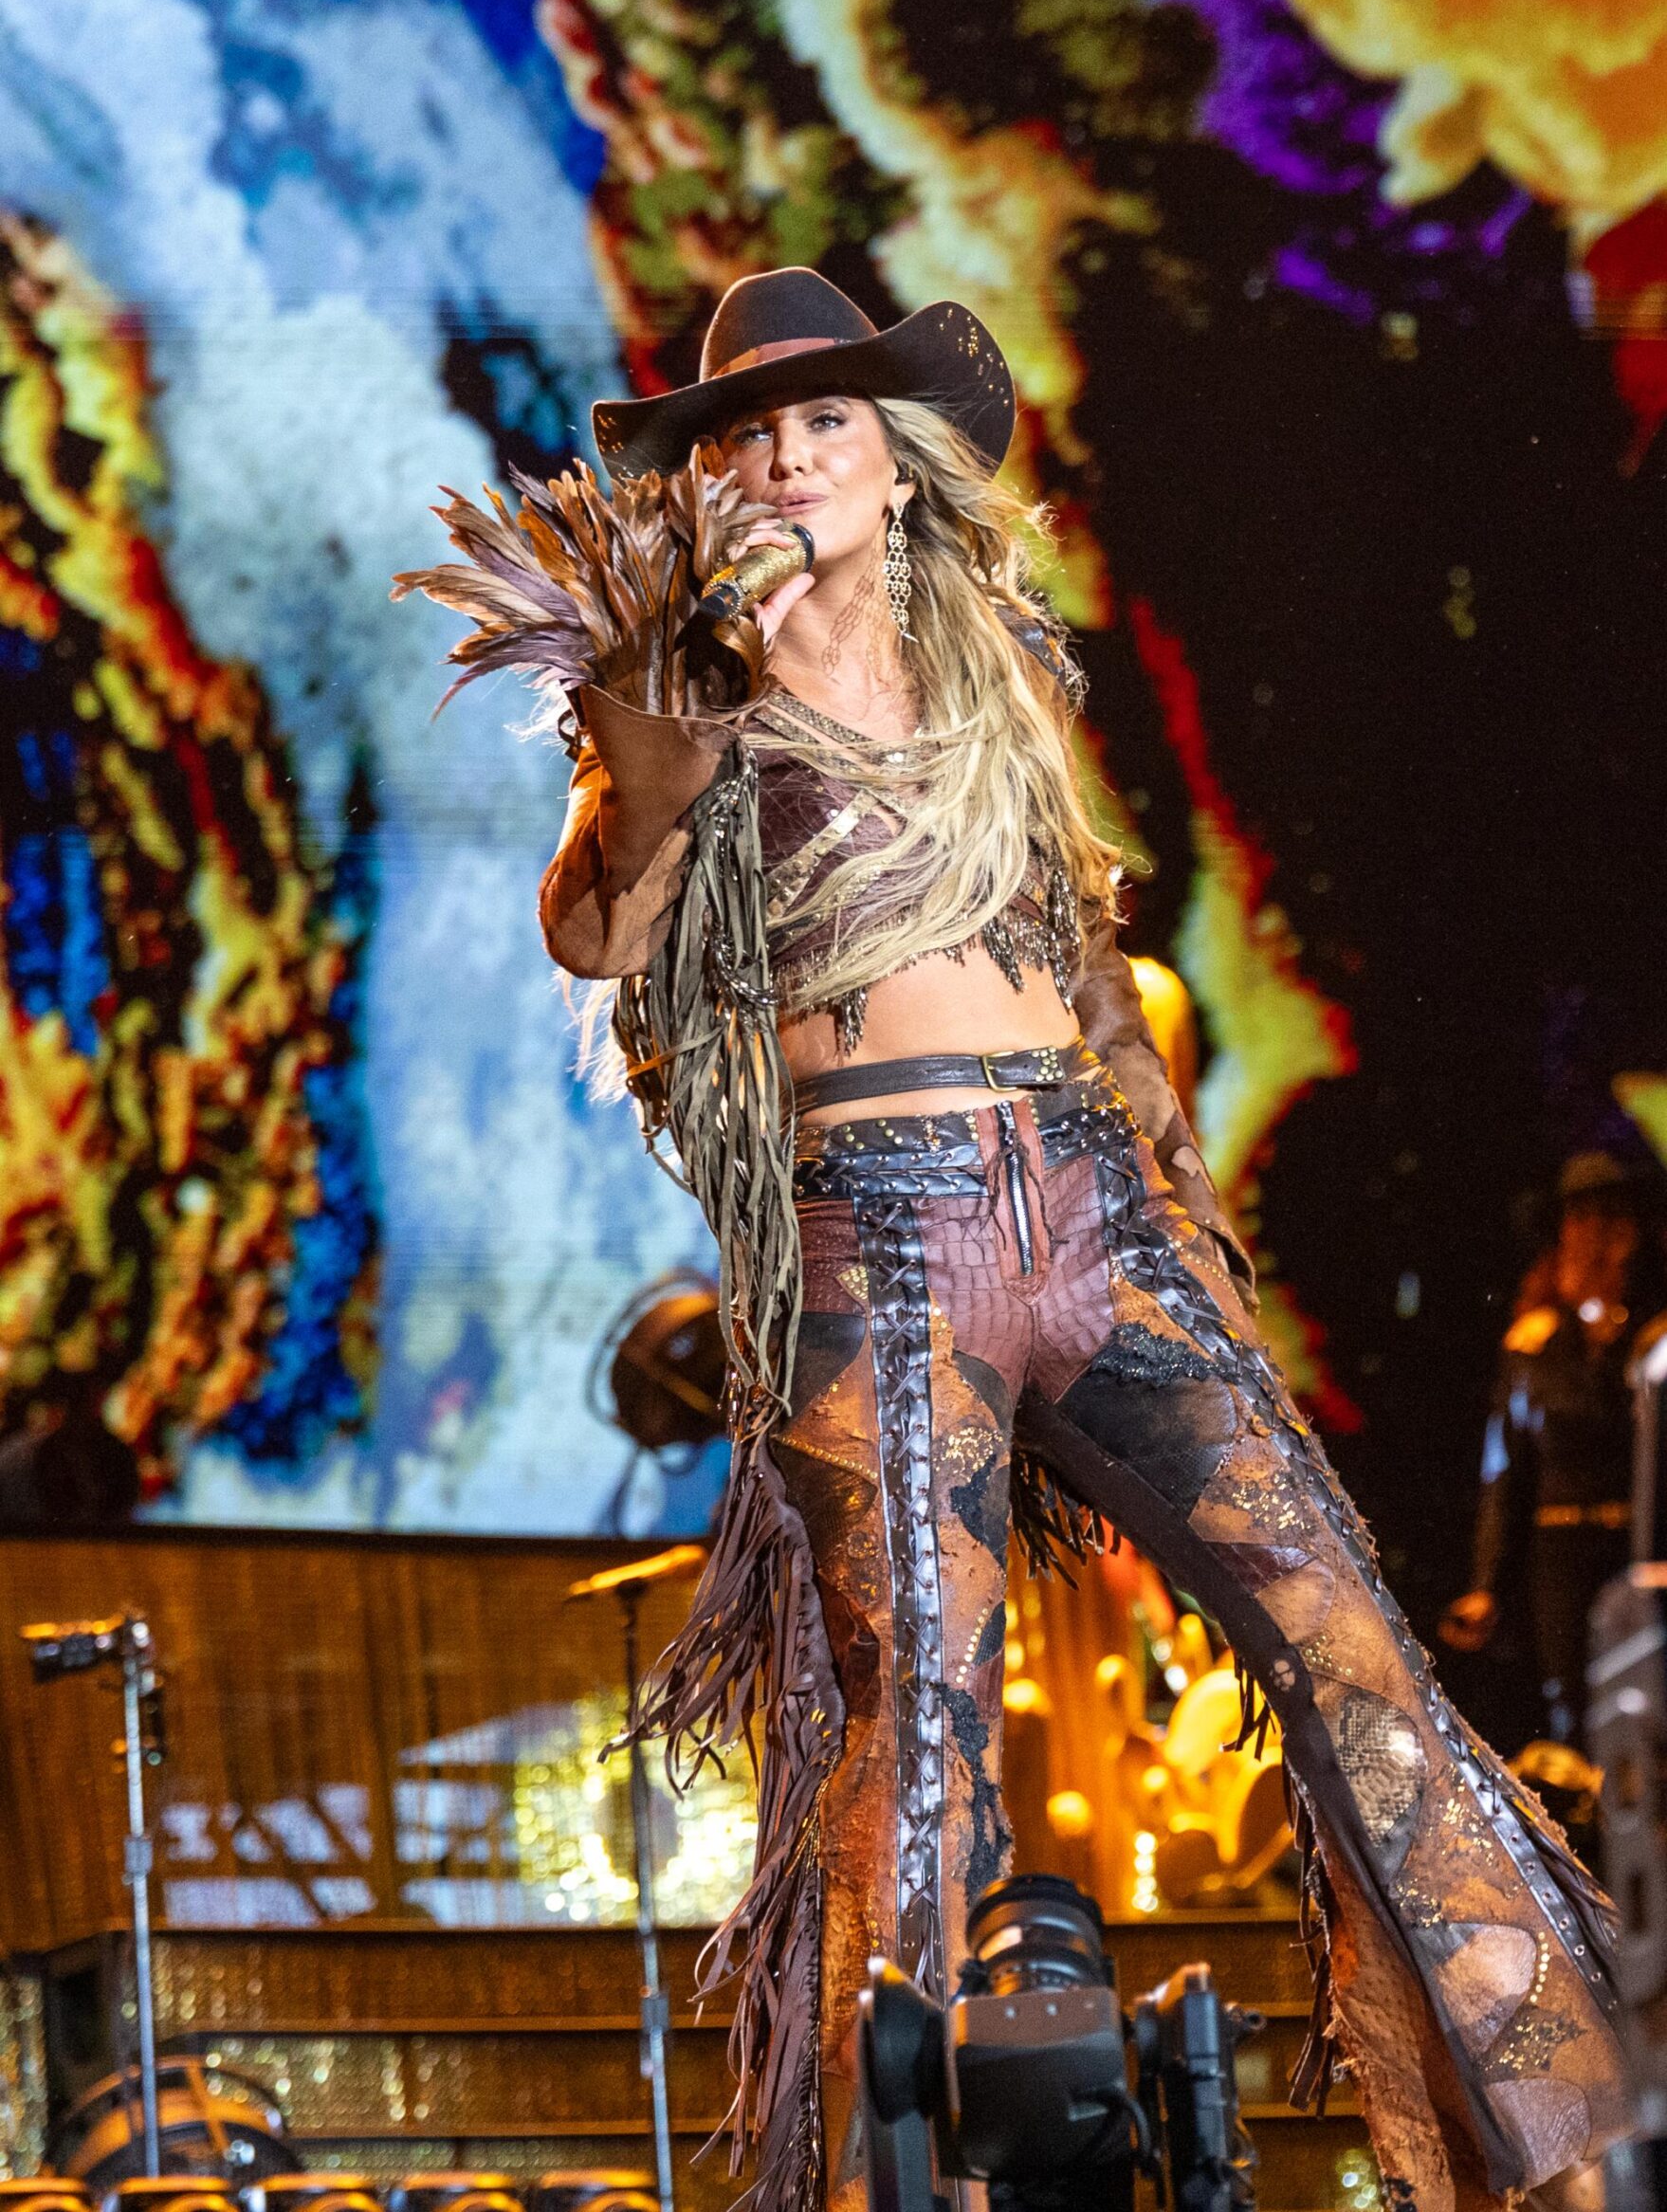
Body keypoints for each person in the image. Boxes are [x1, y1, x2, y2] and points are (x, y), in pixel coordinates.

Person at [397, 269, 1631, 2212]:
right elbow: (599, 927)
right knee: (921, 1723)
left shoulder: (994, 671)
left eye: (825, 421)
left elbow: (1088, 955)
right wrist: (650, 698)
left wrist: (1178, 1208)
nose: (787, 456)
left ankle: (1565, 2151)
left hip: (1088, 1201)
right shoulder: (684, 687)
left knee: (1351, 1643)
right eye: (747, 434)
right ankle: (904, 2188)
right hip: (878, 1233)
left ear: (892, 464)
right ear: (709, 480)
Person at [1443, 1151, 1653, 1746]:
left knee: (1639, 1695)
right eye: (1581, 1219)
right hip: (1560, 1551)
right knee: (1571, 1704)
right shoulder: (1534, 1345)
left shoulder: (1652, 1337)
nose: (1596, 1236)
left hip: (1634, 1547)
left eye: (1610, 1219)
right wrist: (1486, 1583)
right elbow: (1504, 1469)